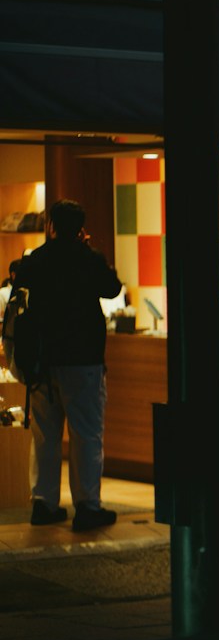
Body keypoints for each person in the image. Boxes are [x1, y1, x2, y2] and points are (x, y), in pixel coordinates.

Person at [10, 200, 123, 530]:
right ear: (80, 228)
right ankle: (87, 507)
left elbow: (19, 284)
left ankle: (43, 504)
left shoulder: (37, 260)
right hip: (83, 359)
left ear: (51, 226)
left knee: (45, 435)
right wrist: (87, 250)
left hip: (43, 361)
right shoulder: (88, 259)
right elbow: (112, 287)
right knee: (86, 433)